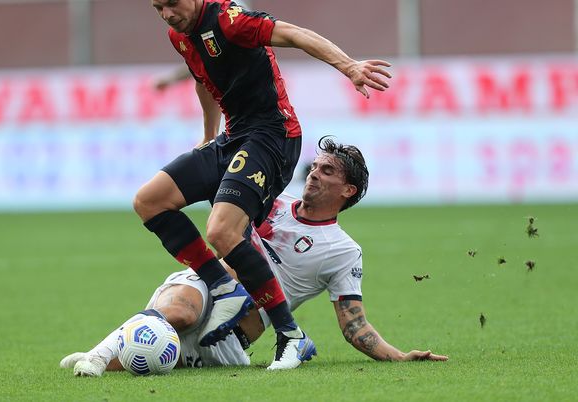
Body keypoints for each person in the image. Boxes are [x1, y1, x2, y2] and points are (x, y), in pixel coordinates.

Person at [134, 0, 393, 370]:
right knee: (149, 201)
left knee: (222, 231)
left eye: (172, 4)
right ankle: (222, 286)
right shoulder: (179, 33)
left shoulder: (230, 20)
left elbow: (295, 34)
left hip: (274, 136)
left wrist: (349, 66)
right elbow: (203, 80)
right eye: (158, 8)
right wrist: (209, 136)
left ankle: (290, 334)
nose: (167, 14)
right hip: (235, 137)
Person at [62, 137, 447, 376]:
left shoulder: (343, 251)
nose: (313, 174)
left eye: (326, 171)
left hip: (231, 338)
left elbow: (353, 325)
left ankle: (113, 350)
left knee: (145, 361)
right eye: (314, 166)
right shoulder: (271, 202)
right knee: (180, 313)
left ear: (347, 190)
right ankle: (97, 355)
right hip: (208, 286)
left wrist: (397, 357)